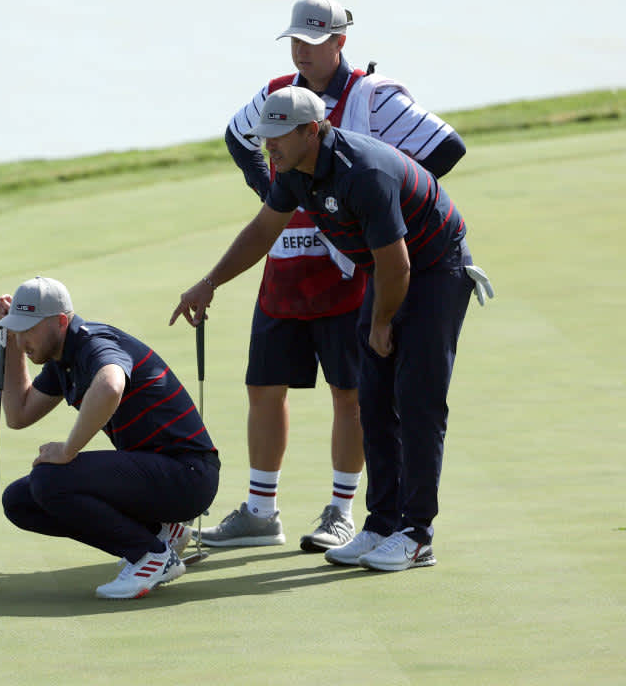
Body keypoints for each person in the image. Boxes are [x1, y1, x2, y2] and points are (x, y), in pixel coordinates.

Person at [172, 86, 491, 572]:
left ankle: (418, 534)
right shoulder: (294, 170)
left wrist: (382, 322)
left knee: (418, 400)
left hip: (435, 270)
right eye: (264, 137)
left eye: (277, 137)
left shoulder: (363, 173)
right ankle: (382, 523)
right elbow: (263, 229)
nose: (267, 147)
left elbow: (399, 265)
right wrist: (208, 282)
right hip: (388, 270)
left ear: (309, 130)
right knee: (374, 397)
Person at [198, 0, 467, 553]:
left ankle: (386, 524)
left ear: (340, 41)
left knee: (386, 396)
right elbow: (240, 143)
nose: (302, 51)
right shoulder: (281, 102)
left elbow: (445, 148)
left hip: (376, 267)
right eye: (295, 40)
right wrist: (289, 196)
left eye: (314, 42)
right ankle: (361, 522)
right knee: (298, 388)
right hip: (299, 269)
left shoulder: (372, 102)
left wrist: (378, 204)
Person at [0, 276, 220, 598]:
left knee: (50, 479)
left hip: (188, 475)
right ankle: (162, 535)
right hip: (162, 475)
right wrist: (9, 340)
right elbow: (19, 414)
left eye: (28, 329)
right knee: (20, 500)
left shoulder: (93, 342)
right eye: (17, 329)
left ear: (60, 322)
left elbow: (111, 384)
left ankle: (150, 556)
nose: (21, 338)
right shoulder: (63, 359)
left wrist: (69, 450)